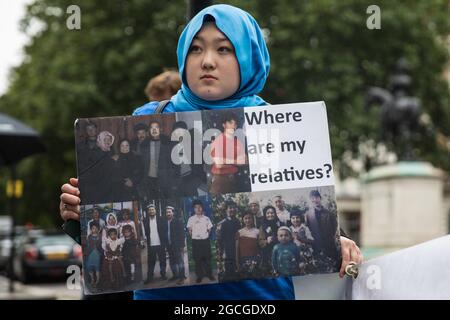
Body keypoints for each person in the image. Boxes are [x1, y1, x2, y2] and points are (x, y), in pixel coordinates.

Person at [60, 4, 362, 300]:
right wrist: (80, 215)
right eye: (196, 49)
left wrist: (340, 244)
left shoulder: (280, 125)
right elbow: (112, 233)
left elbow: (303, 214)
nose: (207, 61)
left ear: (249, 57)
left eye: (223, 49)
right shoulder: (149, 118)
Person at [209, 111, 247, 195]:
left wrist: (226, 161)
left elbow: (245, 161)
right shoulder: (218, 141)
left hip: (234, 180)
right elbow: (219, 164)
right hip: (220, 182)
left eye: (235, 124)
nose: (233, 126)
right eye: (230, 123)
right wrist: (236, 161)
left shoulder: (238, 142)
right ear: (224, 125)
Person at [305, 190, 342, 272]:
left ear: (320, 198)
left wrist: (330, 238)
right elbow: (308, 229)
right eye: (312, 198)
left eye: (316, 197)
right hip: (316, 246)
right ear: (310, 200)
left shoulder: (330, 214)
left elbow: (335, 227)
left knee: (334, 267)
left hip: (329, 244)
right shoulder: (308, 215)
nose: (315, 200)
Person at [186, 199, 215, 283]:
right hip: (196, 242)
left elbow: (209, 229)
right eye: (196, 207)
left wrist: (205, 236)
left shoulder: (206, 218)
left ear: (202, 208)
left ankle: (209, 274)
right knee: (197, 260)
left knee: (207, 259)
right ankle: (199, 276)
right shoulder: (191, 219)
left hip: (205, 241)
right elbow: (189, 230)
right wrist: (195, 237)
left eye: (200, 207)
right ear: (193, 209)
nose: (198, 209)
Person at [142, 204, 168, 283]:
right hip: (151, 245)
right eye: (150, 210)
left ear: (155, 211)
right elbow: (145, 232)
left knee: (162, 260)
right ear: (148, 212)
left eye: (152, 210)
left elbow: (165, 231)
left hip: (160, 244)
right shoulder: (145, 220)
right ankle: (149, 277)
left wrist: (165, 243)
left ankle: (163, 274)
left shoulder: (161, 219)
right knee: (150, 262)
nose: (151, 211)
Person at [216, 200, 241, 281]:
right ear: (226, 210)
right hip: (226, 253)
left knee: (237, 274)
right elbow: (219, 241)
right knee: (228, 275)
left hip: (236, 252)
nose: (232, 210)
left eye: (234, 208)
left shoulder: (237, 222)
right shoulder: (222, 223)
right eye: (230, 208)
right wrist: (220, 255)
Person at [164, 206, 187, 285]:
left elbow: (182, 234)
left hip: (177, 246)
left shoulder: (178, 221)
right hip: (169, 246)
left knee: (180, 262)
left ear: (173, 213)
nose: (168, 214)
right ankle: (175, 275)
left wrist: (182, 245)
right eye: (167, 212)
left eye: (169, 212)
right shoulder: (165, 222)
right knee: (172, 262)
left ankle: (182, 278)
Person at [235, 212, 261, 280]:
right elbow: (237, 248)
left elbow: (260, 246)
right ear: (243, 220)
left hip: (255, 259)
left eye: (249, 218)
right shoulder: (239, 232)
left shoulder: (257, 231)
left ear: (252, 219)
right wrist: (237, 263)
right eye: (245, 218)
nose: (248, 220)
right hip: (243, 260)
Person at [259, 205, 283, 276]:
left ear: (275, 214)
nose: (270, 215)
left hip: (280, 252)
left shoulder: (280, 224)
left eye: (272, 213)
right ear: (265, 215)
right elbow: (260, 242)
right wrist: (266, 241)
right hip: (268, 254)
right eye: (268, 213)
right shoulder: (263, 226)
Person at [85, 221, 102, 289]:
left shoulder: (100, 236)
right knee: (89, 266)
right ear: (91, 229)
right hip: (91, 253)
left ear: (98, 229)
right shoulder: (89, 236)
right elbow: (88, 245)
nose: (94, 230)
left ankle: (97, 280)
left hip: (97, 253)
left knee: (97, 267)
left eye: (95, 228)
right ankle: (92, 279)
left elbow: (101, 245)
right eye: (92, 228)